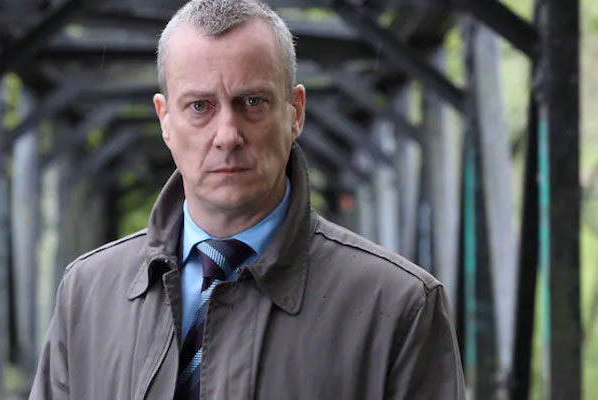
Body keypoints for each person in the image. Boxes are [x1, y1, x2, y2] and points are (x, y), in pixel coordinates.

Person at [29, 0, 465, 399]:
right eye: (200, 106)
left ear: (295, 113)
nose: (227, 135)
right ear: (165, 119)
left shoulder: (400, 307)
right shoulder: (86, 293)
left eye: (252, 102)